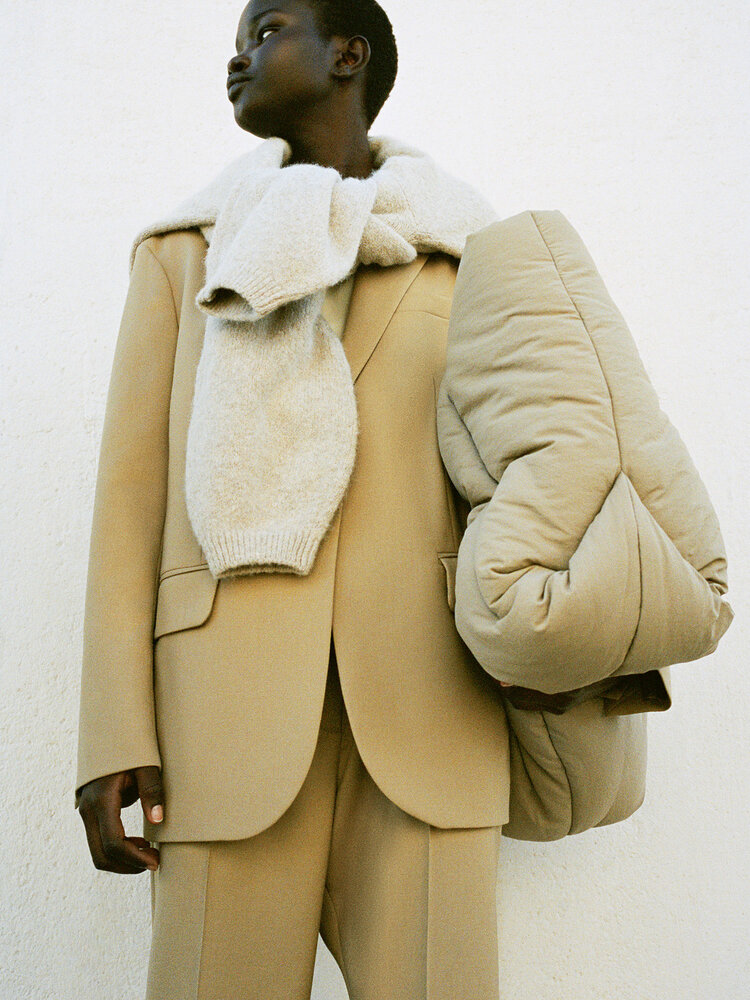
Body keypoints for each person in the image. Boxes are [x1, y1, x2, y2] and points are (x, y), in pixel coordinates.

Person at [75, 2, 650, 997]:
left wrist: (561, 628)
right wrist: (113, 734)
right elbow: (129, 508)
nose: (237, 58)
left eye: (266, 30)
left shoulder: (473, 255)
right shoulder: (183, 254)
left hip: (435, 707)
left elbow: (550, 464)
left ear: (349, 54)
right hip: (222, 721)